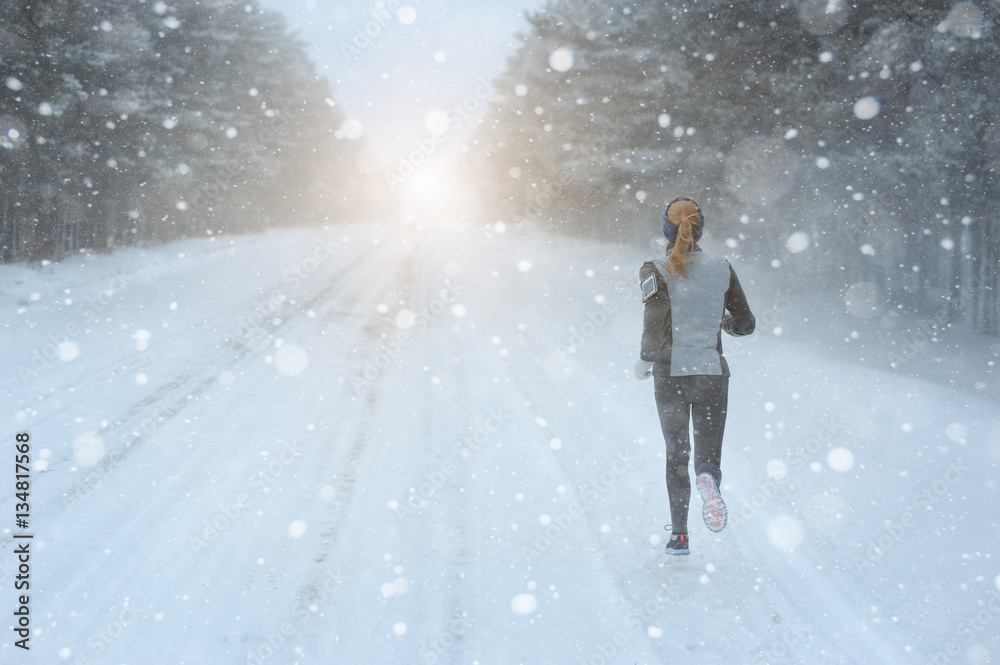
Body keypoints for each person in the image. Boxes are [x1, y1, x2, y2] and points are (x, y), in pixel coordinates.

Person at [634, 197, 756, 556]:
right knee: (707, 457)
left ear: (665, 229)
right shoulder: (723, 267)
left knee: (676, 455)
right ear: (700, 228)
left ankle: (680, 537)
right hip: (711, 374)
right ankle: (708, 480)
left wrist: (645, 359)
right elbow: (746, 324)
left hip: (670, 374)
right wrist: (724, 323)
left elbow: (654, 319)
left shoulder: (653, 268)